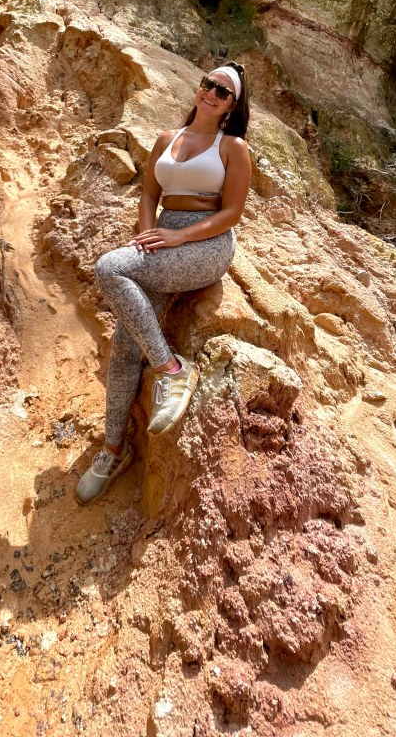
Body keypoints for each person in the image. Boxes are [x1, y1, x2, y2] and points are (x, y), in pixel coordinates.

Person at [75, 63, 252, 504]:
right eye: (209, 83)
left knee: (109, 267)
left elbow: (232, 213)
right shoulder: (166, 139)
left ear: (231, 106)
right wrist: (146, 235)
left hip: (207, 245)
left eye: (223, 91)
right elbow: (150, 194)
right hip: (163, 238)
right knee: (124, 346)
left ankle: (172, 370)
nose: (212, 92)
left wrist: (179, 236)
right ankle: (114, 449)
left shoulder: (233, 147)